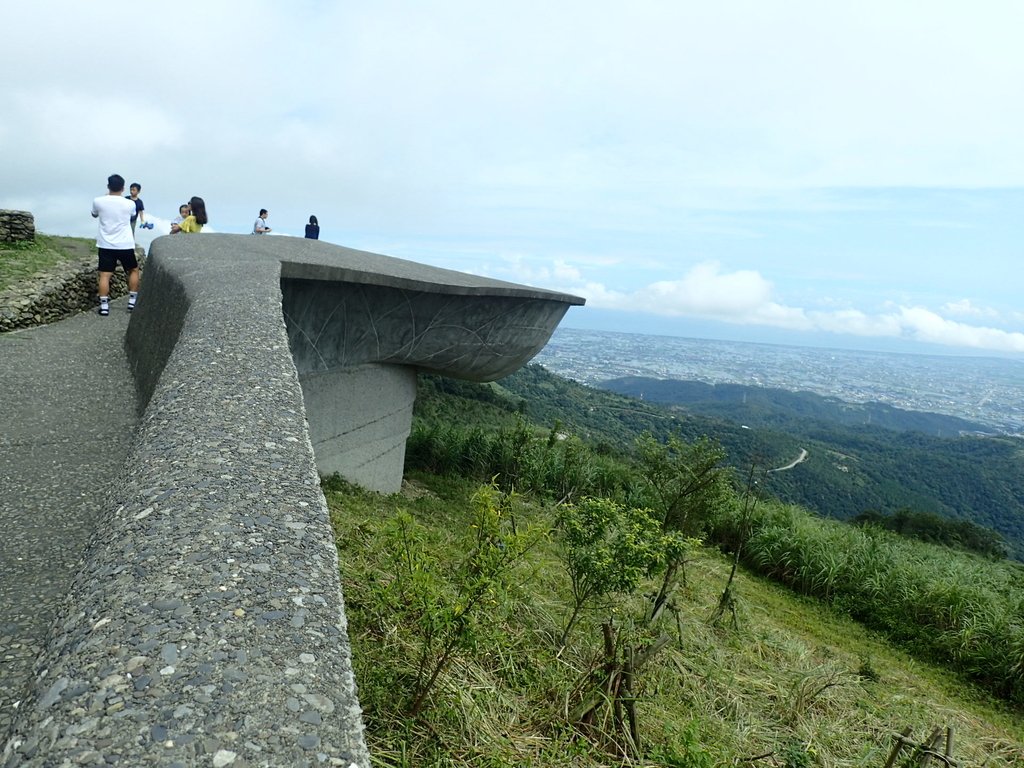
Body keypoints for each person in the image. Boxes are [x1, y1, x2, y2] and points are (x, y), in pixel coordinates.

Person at [91, 173, 140, 315]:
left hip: (105, 244)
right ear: (123, 188)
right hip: (125, 243)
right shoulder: (130, 203)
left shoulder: (98, 201)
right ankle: (132, 302)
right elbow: (132, 216)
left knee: (105, 275)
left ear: (108, 186)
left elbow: (94, 214)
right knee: (133, 270)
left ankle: (104, 306)